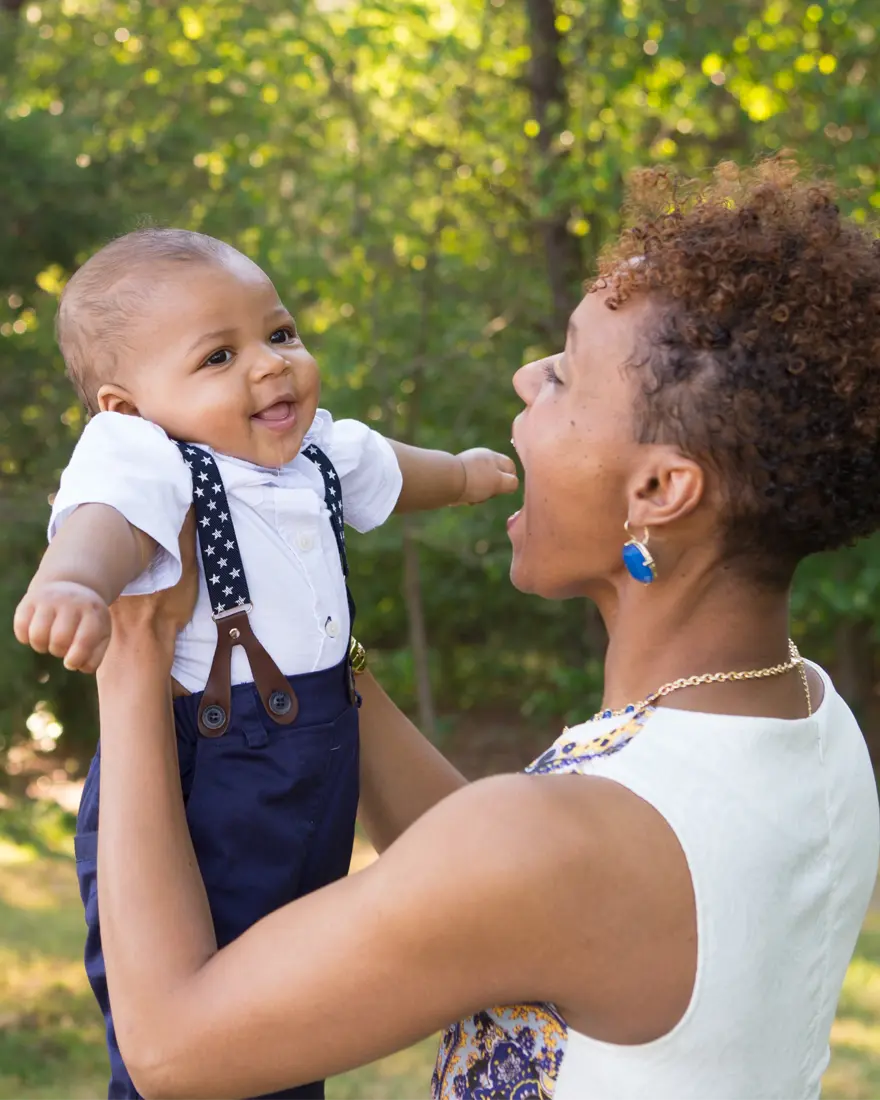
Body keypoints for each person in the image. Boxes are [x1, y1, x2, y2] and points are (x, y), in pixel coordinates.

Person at [92, 158, 879, 1100]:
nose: (523, 376)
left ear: (659, 490)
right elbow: (477, 877)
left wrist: (135, 653)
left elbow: (172, 1051)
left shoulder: (552, 848)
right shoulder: (811, 724)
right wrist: (286, 606)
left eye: (562, 375)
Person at [12, 227, 517, 1100]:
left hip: (314, 752)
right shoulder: (148, 458)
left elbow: (392, 469)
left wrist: (466, 477)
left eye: (278, 334)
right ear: (125, 406)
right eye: (218, 356)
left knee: (281, 1001)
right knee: (197, 1014)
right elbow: (103, 520)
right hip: (207, 769)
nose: (270, 365)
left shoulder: (318, 452)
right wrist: (73, 582)